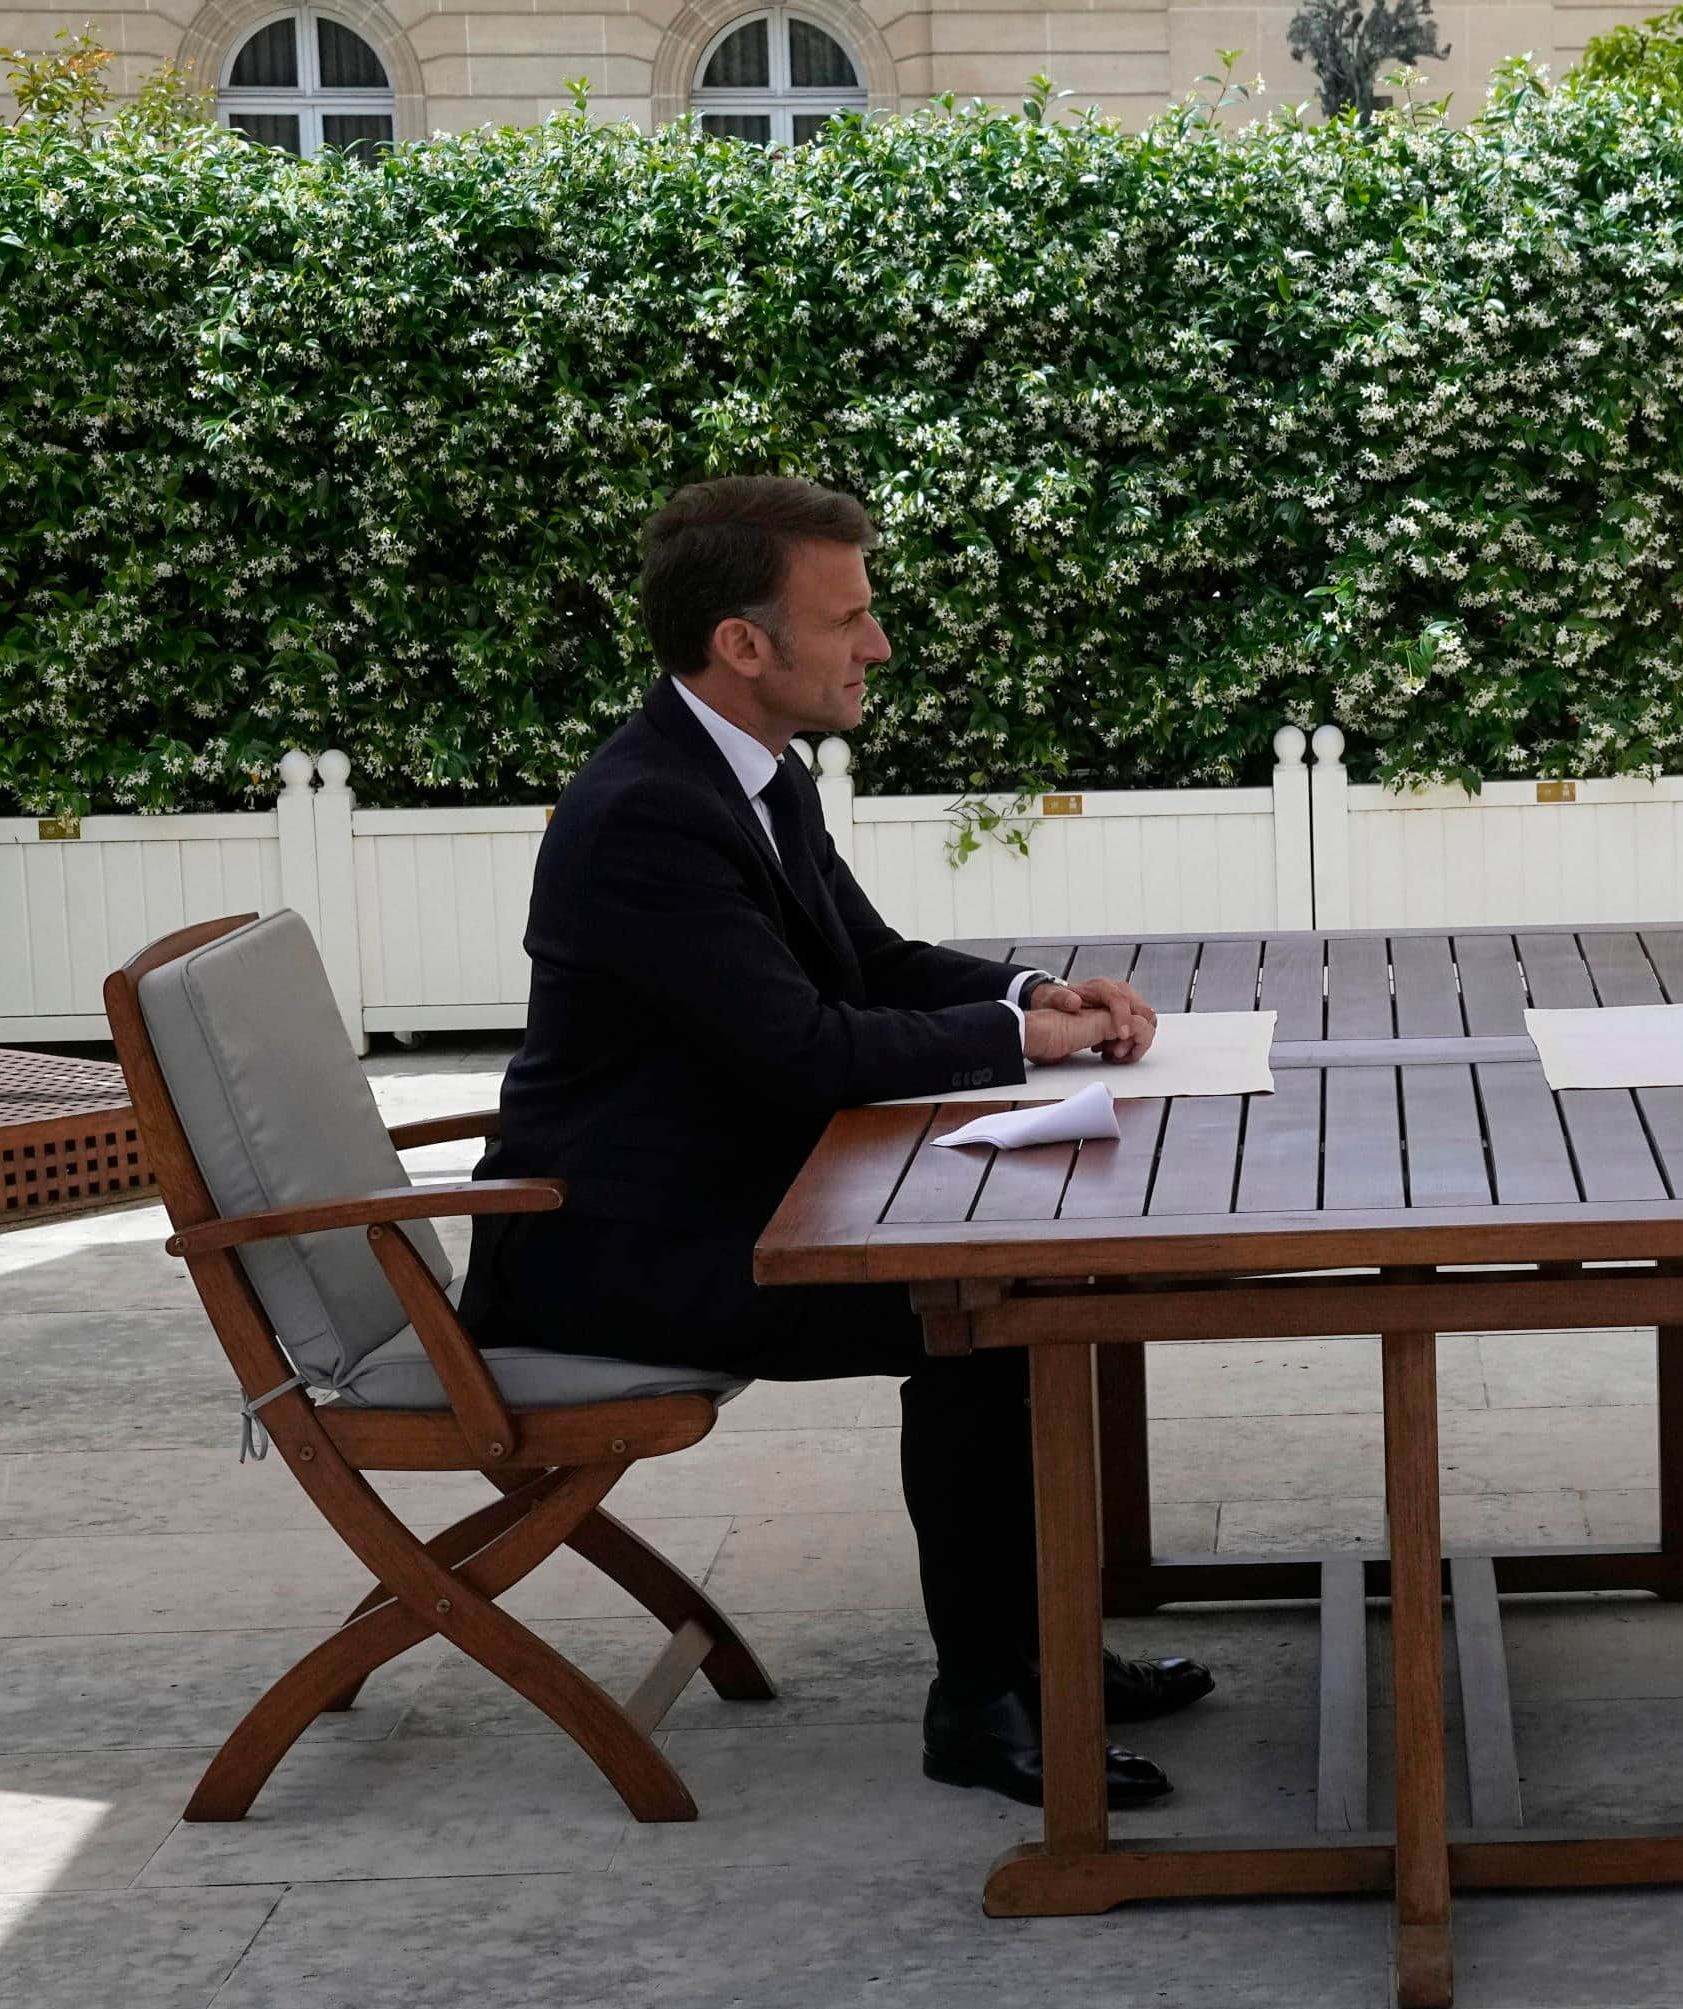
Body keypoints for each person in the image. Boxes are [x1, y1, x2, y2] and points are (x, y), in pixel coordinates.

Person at [464, 476, 1210, 1809]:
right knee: (976, 1314)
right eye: (850, 616)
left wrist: (1032, 996)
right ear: (743, 645)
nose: (877, 645)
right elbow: (804, 1048)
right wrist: (1021, 1047)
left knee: (1017, 1287)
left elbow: (869, 961)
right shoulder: (649, 813)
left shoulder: (748, 773)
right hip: (611, 1253)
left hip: (723, 1197)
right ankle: (982, 1704)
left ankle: (1038, 1661)